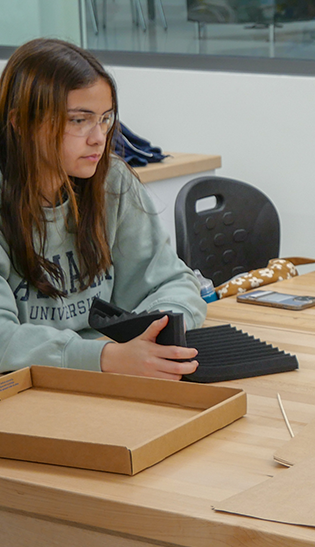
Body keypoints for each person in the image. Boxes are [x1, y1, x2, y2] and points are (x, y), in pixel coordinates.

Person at [0, 38, 206, 380]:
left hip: (112, 373)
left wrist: (159, 331)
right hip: (25, 389)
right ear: (21, 123)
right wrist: (105, 356)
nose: (98, 137)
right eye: (79, 121)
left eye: (106, 119)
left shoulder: (112, 180)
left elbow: (173, 280)